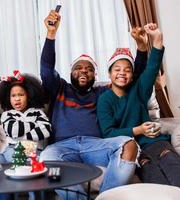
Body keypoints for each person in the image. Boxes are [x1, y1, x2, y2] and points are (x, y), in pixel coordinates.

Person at [39, 10, 148, 200]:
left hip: (96, 146)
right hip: (63, 148)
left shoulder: (103, 92)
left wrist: (141, 48)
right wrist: (50, 34)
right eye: (78, 68)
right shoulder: (60, 88)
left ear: (95, 75)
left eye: (89, 69)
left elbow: (134, 76)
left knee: (129, 145)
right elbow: (47, 70)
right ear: (70, 72)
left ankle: (106, 197)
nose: (83, 72)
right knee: (47, 160)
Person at [97, 23, 180, 187]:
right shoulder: (104, 99)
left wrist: (157, 39)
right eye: (117, 69)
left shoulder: (139, 90)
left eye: (127, 70)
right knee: (157, 183)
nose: (122, 73)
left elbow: (152, 67)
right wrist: (139, 130)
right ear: (110, 73)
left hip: (156, 143)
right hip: (134, 151)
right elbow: (108, 134)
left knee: (173, 165)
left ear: (131, 74)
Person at [0, 71, 51, 200]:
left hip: (35, 151)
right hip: (12, 149)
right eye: (13, 96)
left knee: (38, 170)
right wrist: (33, 125)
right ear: (8, 98)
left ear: (29, 96)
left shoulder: (38, 113)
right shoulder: (7, 115)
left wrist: (22, 132)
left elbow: (46, 131)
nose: (17, 99)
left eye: (21, 95)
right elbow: (13, 131)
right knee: (14, 165)